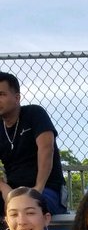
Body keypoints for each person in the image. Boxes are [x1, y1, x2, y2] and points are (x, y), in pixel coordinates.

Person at [0, 71, 66, 215]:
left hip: (48, 188)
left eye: (1, 95)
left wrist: (38, 188)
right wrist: (5, 190)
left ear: (17, 97)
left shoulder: (34, 113)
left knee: (28, 207)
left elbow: (46, 148)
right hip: (14, 190)